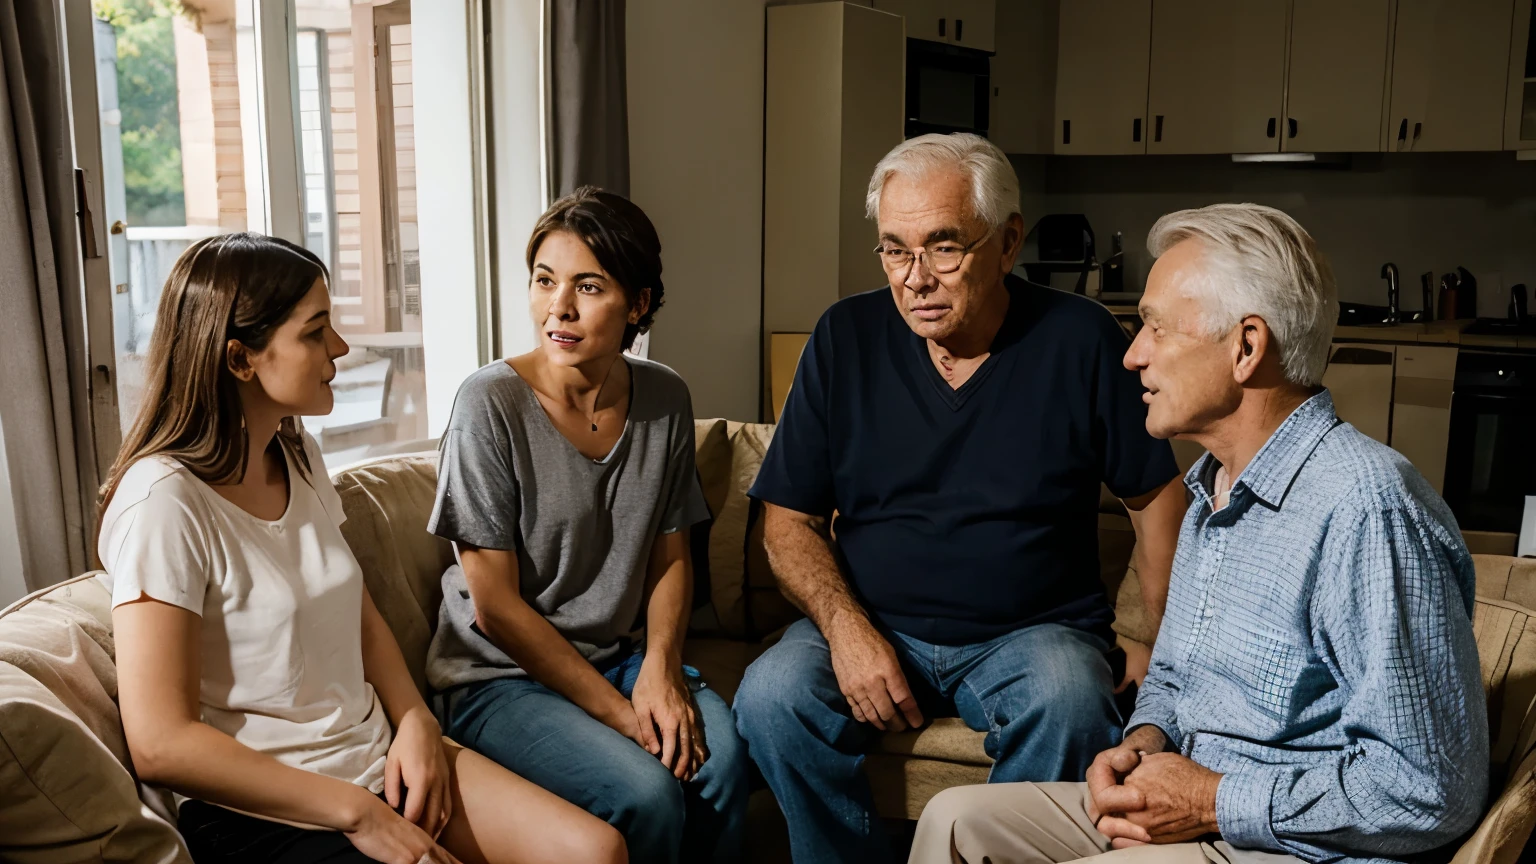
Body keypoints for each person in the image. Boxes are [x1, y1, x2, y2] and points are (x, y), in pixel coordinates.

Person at [909, 203, 1489, 864]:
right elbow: (1177, 679)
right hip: (1199, 807)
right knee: (955, 820)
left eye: (1155, 327)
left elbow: (1432, 789)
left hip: (1296, 846)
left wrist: (1211, 801)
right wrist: (1145, 742)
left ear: (1245, 347)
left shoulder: (1365, 507)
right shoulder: (1211, 491)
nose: (1132, 356)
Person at [732, 132, 1189, 863]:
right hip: (873, 619)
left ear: (1008, 243)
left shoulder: (1081, 338)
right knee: (769, 695)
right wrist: (848, 632)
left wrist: (1152, 644)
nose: (915, 278)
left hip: (1033, 632)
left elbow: (1157, 498)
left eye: (943, 247)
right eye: (894, 249)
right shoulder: (843, 337)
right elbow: (787, 523)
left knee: (1072, 701)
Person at [98, 233, 624, 864]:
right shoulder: (162, 501)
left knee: (596, 850)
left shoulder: (293, 452)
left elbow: (359, 613)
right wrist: (355, 810)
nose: (340, 348)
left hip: (378, 760)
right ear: (241, 358)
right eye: (316, 331)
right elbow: (161, 742)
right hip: (268, 808)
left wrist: (416, 722)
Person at [425, 187, 748, 864]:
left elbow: (671, 558)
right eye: (544, 281)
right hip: (498, 680)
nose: (558, 308)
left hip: (621, 659)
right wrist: (620, 715)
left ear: (638, 304)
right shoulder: (489, 405)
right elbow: (495, 609)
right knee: (647, 792)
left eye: (588, 286)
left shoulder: (665, 397)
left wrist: (659, 669)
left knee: (721, 763)